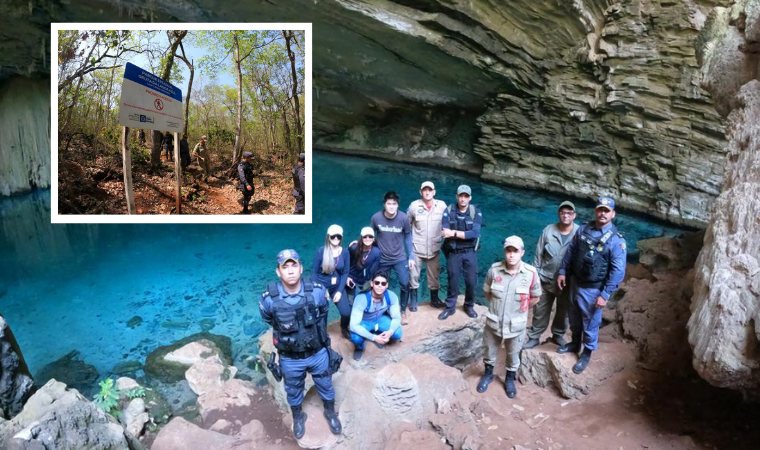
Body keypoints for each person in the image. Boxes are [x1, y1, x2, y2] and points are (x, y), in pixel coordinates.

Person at [258, 249, 342, 439]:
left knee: (326, 384)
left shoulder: (318, 291)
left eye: (293, 265)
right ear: (278, 272)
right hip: (290, 358)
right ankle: (298, 416)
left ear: (301, 268)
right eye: (284, 267)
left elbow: (323, 314)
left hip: (317, 352)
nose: (290, 271)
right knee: (293, 389)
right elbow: (270, 320)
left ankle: (330, 412)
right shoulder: (269, 299)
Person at [557, 197, 626, 374]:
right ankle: (574, 343)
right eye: (600, 209)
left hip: (594, 289)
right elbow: (571, 251)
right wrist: (563, 271)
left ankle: (586, 353)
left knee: (590, 323)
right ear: (595, 211)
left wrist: (605, 295)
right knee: (574, 318)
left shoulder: (616, 241)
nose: (602, 213)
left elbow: (618, 271)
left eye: (606, 211)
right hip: (575, 283)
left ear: (613, 214)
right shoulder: (583, 230)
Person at [477, 236, 541, 398]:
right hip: (494, 322)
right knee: (489, 351)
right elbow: (487, 292)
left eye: (515, 251)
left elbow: (535, 297)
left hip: (516, 325)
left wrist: (519, 310)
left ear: (522, 253)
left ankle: (510, 379)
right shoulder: (494, 270)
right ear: (504, 252)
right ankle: (488, 374)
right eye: (508, 250)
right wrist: (499, 308)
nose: (511, 255)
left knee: (513, 354)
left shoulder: (531, 273)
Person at [523, 201, 579, 349]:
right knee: (540, 310)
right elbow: (538, 255)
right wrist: (536, 277)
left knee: (564, 311)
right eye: (562, 212)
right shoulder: (549, 230)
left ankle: (558, 335)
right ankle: (534, 336)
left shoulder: (580, 233)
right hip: (546, 279)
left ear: (574, 215)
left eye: (569, 213)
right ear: (558, 214)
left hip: (567, 283)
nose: (565, 215)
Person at [438, 185, 482, 321]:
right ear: (457, 196)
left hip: (470, 251)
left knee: (471, 280)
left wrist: (454, 233)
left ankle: (469, 305)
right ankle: (450, 307)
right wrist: (461, 234)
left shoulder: (476, 212)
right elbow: (445, 232)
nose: (463, 199)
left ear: (470, 198)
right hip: (454, 251)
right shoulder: (449, 210)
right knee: (453, 279)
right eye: (461, 196)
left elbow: (475, 233)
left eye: (466, 196)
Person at [371, 191, 414, 324]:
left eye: (394, 204)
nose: (391, 206)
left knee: (404, 283)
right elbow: (370, 236)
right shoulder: (376, 218)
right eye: (389, 204)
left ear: (397, 205)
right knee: (381, 285)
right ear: (384, 204)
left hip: (399, 257)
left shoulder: (403, 218)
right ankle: (383, 309)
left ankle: (402, 311)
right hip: (382, 258)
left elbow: (407, 236)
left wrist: (411, 256)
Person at [407, 181, 447, 310]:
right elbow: (406, 224)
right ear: (421, 192)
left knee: (434, 276)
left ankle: (434, 299)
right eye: (425, 190)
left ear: (434, 192)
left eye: (430, 190)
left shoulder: (441, 206)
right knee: (413, 275)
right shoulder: (414, 206)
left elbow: (447, 223)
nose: (427, 192)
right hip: (417, 248)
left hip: (434, 248)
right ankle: (413, 300)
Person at [349, 271, 403, 361]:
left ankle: (379, 333)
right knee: (356, 338)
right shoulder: (362, 298)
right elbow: (353, 325)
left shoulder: (391, 296)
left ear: (386, 285)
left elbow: (396, 318)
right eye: (377, 282)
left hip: (379, 319)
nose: (380, 286)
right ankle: (360, 347)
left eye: (383, 283)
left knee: (397, 333)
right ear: (372, 284)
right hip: (364, 322)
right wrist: (374, 338)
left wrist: (390, 331)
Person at [312, 225, 351, 338]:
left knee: (346, 313)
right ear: (328, 237)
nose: (335, 239)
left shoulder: (345, 253)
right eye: (333, 236)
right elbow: (314, 273)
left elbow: (345, 273)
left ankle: (344, 327)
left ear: (341, 238)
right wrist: (319, 291)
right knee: (322, 316)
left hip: (336, 287)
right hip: (321, 288)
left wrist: (339, 291)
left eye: (338, 236)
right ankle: (321, 335)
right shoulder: (321, 251)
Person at [346, 227, 381, 303]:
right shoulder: (353, 248)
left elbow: (374, 270)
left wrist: (371, 282)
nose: (368, 238)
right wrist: (347, 277)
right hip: (351, 279)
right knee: (350, 303)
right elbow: (345, 262)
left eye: (370, 236)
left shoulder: (376, 252)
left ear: (373, 238)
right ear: (361, 238)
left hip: (365, 281)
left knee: (364, 302)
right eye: (365, 237)